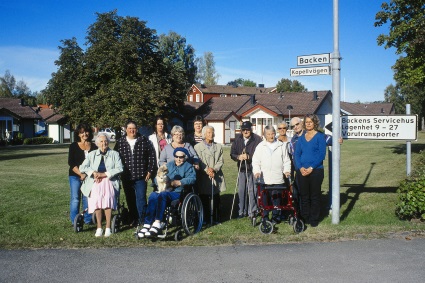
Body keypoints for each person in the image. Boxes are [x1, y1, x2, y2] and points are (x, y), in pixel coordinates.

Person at [139, 147, 196, 238]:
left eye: (181, 157)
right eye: (176, 156)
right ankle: (147, 224)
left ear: (185, 157)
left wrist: (179, 182)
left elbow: (192, 179)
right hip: (164, 189)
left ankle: (158, 222)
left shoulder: (188, 167)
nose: (178, 159)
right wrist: (159, 178)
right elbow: (158, 177)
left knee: (163, 195)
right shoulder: (169, 165)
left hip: (178, 192)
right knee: (153, 195)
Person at [79, 133, 123, 237]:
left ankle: (108, 227)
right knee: (97, 203)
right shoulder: (92, 154)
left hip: (109, 181)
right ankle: (99, 227)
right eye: (102, 141)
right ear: (98, 144)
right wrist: (94, 173)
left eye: (106, 141)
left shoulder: (114, 154)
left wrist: (104, 174)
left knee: (107, 202)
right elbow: (82, 167)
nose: (104, 143)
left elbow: (120, 168)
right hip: (95, 181)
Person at [114, 121, 156, 226]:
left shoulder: (144, 140)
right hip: (126, 176)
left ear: (137, 129)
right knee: (130, 198)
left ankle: (142, 220)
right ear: (126, 130)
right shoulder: (120, 142)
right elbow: (114, 157)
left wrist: (150, 171)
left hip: (141, 176)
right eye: (130, 129)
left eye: (134, 128)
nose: (132, 131)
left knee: (141, 198)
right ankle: (133, 218)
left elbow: (152, 156)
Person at [252, 125, 291, 223]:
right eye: (268, 134)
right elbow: (255, 161)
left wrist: (287, 171)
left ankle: (275, 217)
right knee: (264, 200)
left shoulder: (281, 145)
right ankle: (264, 217)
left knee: (276, 199)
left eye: (272, 133)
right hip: (265, 179)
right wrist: (256, 172)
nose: (271, 136)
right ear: (265, 135)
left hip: (278, 178)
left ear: (275, 134)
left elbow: (286, 161)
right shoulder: (260, 146)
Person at [294, 114, 327, 227]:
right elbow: (297, 154)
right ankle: (305, 217)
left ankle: (314, 219)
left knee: (314, 196)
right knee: (304, 196)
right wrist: (301, 168)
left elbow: (321, 155)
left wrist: (311, 168)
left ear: (315, 123)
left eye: (310, 122)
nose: (308, 123)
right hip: (302, 171)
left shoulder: (320, 137)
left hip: (316, 171)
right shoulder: (301, 138)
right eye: (306, 122)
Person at [194, 125, 226, 224]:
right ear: (204, 134)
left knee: (215, 197)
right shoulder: (197, 147)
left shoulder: (219, 147)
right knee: (204, 198)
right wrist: (207, 170)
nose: (211, 134)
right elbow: (198, 161)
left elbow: (221, 161)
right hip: (204, 177)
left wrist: (214, 169)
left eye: (212, 132)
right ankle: (205, 219)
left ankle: (216, 218)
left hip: (216, 176)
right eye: (208, 132)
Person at [230, 121, 262, 218]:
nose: (245, 131)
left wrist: (249, 156)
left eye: (247, 129)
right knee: (241, 190)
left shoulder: (257, 139)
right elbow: (232, 153)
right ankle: (241, 211)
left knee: (253, 190)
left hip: (253, 169)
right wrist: (238, 157)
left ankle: (252, 211)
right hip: (242, 169)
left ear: (251, 129)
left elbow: (260, 154)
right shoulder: (237, 139)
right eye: (243, 130)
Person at [68, 123, 97, 225]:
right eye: (82, 132)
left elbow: (95, 163)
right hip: (75, 176)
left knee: (87, 198)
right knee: (75, 198)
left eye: (86, 132)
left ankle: (88, 219)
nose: (85, 134)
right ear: (78, 134)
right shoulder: (73, 146)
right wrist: (81, 174)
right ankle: (75, 220)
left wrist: (88, 175)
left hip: (89, 177)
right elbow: (71, 163)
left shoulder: (93, 146)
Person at [148, 116, 172, 189]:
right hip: (156, 166)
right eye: (159, 124)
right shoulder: (151, 138)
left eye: (162, 124)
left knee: (167, 185)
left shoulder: (169, 137)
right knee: (157, 186)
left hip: (168, 165)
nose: (160, 126)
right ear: (155, 125)